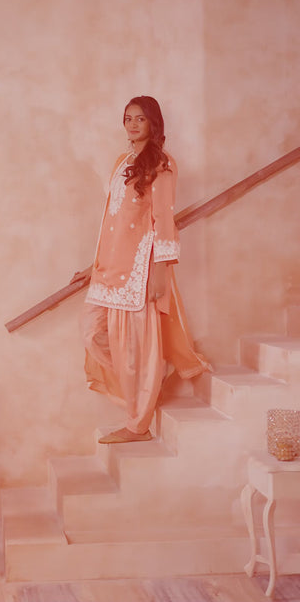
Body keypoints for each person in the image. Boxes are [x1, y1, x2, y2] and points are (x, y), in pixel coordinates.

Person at [71, 96, 210, 444]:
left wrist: (160, 273)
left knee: (134, 350)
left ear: (153, 124)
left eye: (140, 119)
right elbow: (113, 221)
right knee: (92, 334)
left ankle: (138, 425)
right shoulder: (122, 162)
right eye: (128, 118)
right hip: (108, 268)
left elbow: (163, 219)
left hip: (137, 269)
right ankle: (148, 381)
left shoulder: (161, 164)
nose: (132, 124)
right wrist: (93, 266)